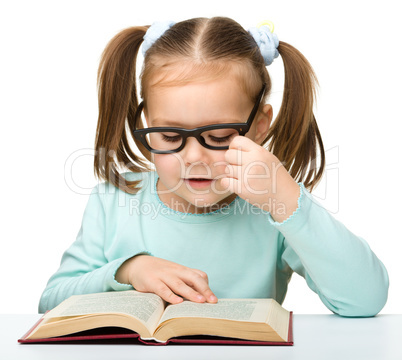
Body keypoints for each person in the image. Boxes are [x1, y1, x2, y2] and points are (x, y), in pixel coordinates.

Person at [38, 17, 388, 316]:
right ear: (146, 121)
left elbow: (364, 300)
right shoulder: (112, 201)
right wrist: (128, 270)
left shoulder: (273, 210)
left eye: (219, 136)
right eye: (169, 135)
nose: (194, 158)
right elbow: (50, 304)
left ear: (261, 125)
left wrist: (287, 199)